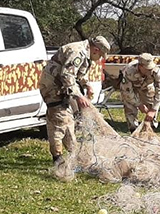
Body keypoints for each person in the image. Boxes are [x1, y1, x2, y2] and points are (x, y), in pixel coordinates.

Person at [38, 35, 111, 166]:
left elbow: (78, 74)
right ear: (95, 50)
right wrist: (79, 96)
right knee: (60, 120)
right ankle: (58, 158)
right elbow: (67, 75)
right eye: (100, 55)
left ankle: (72, 152)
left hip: (61, 86)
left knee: (67, 119)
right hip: (53, 87)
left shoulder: (84, 52)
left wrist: (86, 84)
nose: (99, 59)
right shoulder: (77, 52)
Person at [119, 52, 160, 132]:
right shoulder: (129, 71)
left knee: (151, 101)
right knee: (129, 106)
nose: (149, 70)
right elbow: (127, 92)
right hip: (130, 88)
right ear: (140, 66)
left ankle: (150, 128)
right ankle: (133, 129)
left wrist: (153, 110)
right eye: (147, 68)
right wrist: (139, 105)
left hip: (146, 86)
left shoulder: (156, 71)